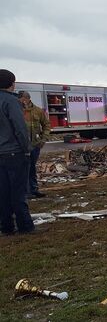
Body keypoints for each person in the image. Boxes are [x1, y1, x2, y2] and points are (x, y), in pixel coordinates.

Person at [0, 69, 35, 235]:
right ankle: (25, 226)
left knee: (3, 192)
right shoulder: (11, 101)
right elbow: (20, 128)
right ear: (11, 84)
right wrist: (27, 149)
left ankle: (6, 227)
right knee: (19, 191)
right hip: (14, 153)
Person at [18, 91, 51, 198]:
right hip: (21, 146)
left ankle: (33, 189)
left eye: (22, 99)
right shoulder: (17, 110)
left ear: (28, 99)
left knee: (32, 167)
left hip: (35, 145)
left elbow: (46, 124)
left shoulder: (38, 111)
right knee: (23, 168)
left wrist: (43, 139)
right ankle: (26, 191)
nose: (21, 101)